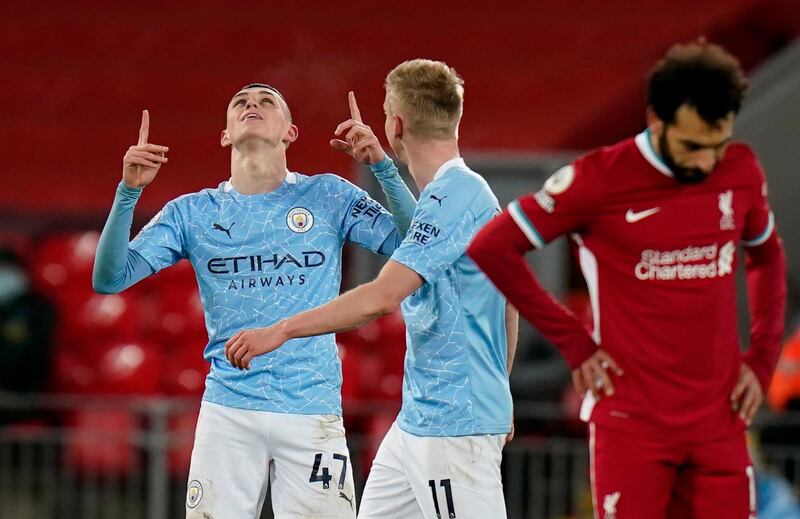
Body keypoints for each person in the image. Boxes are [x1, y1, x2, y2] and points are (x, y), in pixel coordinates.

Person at [467, 41, 787, 518]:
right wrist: (574, 341)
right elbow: (492, 246)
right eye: (693, 145)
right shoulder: (599, 179)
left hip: (720, 422)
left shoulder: (740, 170)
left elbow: (767, 256)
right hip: (631, 423)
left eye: (718, 145)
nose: (706, 162)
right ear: (656, 119)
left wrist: (761, 358)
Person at [92, 83, 414, 519]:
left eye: (266, 102)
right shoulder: (193, 212)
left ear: (291, 132)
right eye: (240, 103)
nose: (251, 106)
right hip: (229, 411)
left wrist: (382, 166)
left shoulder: (329, 196)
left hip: (312, 410)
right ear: (225, 135)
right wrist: (128, 192)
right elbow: (110, 278)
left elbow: (414, 246)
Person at [224, 59, 518, 519]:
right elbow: (510, 294)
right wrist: (500, 389)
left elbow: (381, 297)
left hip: (454, 427)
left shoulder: (457, 196)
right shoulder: (457, 196)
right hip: (418, 423)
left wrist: (280, 331)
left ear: (394, 123)